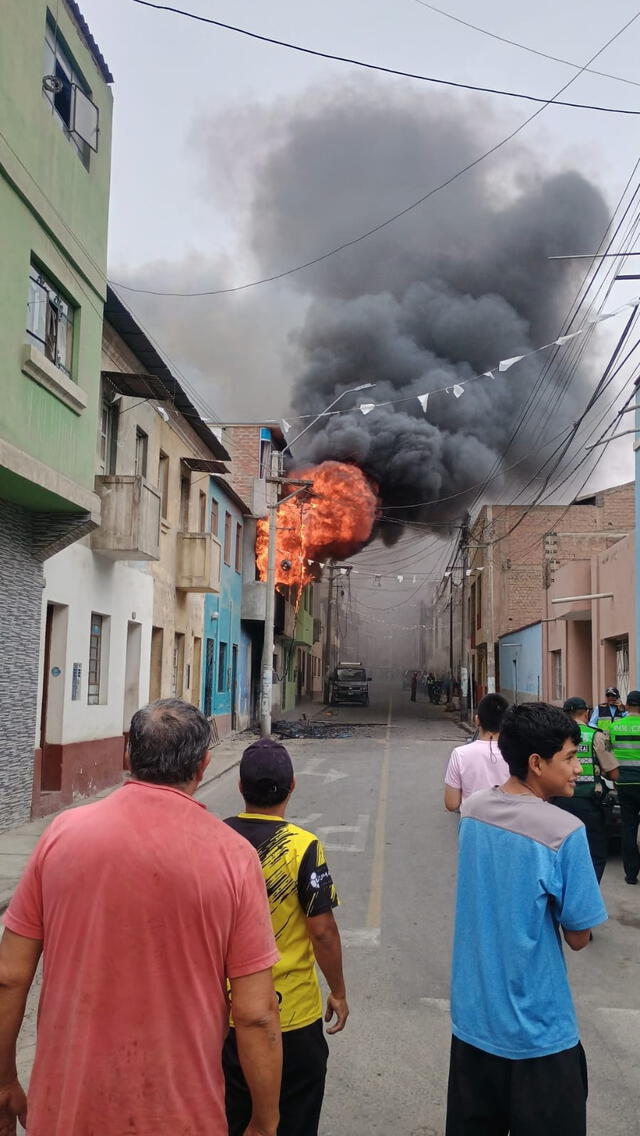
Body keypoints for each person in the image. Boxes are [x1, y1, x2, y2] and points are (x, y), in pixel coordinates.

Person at [0, 700, 281, 1136]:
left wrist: (3, 1080)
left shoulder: (61, 835)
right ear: (204, 764)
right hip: (181, 1118)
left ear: (127, 753)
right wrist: (265, 1122)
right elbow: (257, 1013)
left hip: (64, 1114)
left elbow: (9, 976)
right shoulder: (234, 859)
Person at [446, 702, 607, 1136]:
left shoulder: (474, 811)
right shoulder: (564, 832)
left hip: (475, 1023)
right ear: (536, 764)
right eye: (570, 758)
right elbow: (578, 935)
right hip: (538, 1033)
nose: (577, 768)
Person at [223, 738, 348, 1136]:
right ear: (293, 786)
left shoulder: (217, 840)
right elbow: (323, 931)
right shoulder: (303, 846)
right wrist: (339, 991)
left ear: (240, 787)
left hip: (223, 1015)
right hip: (292, 1017)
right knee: (294, 1118)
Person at [552, 696, 619, 883]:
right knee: (595, 853)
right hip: (589, 804)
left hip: (559, 803)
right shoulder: (596, 735)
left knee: (560, 851)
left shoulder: (555, 737)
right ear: (586, 713)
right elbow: (614, 774)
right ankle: (588, 895)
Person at [444, 693, 509, 811]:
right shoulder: (517, 754)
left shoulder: (460, 754)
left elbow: (451, 803)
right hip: (509, 825)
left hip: (472, 825)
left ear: (477, 720)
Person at [608, 689, 640, 884]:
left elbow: (609, 753)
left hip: (625, 783)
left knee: (628, 827)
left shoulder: (615, 727)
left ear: (627, 706)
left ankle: (630, 874)